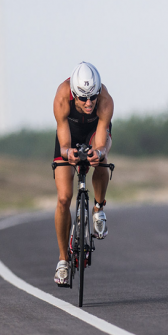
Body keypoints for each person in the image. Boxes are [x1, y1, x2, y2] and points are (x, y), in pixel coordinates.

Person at [52, 61, 114, 285]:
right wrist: (68, 152)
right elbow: (64, 142)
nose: (89, 103)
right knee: (63, 198)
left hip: (94, 132)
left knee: (101, 159)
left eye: (92, 97)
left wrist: (98, 153)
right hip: (69, 133)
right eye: (83, 98)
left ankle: (98, 208)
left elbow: (102, 141)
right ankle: (63, 260)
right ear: (74, 94)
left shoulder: (104, 100)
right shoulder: (62, 97)